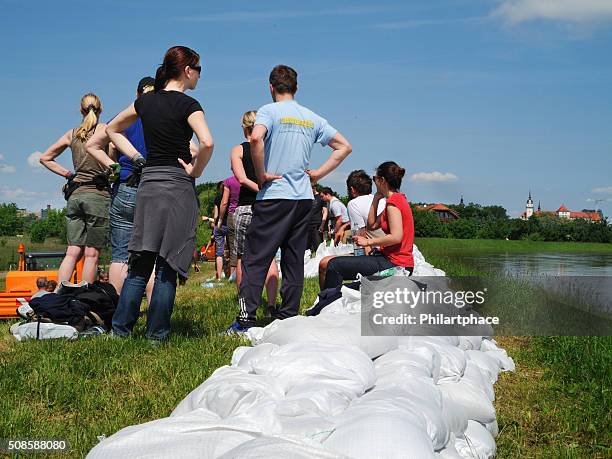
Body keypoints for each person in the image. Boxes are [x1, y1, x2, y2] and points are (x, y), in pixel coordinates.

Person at [90, 45, 214, 341]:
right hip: (176, 185)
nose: (199, 76)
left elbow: (111, 130)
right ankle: (156, 335)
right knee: (167, 265)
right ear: (187, 70)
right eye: (198, 70)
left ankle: (120, 331)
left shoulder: (145, 102)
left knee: (140, 263)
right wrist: (195, 171)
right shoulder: (189, 105)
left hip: (148, 183)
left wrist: (135, 158)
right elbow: (207, 142)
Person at [226, 64, 352, 333]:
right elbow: (344, 146)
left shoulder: (269, 111)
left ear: (271, 87)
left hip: (274, 196)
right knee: (293, 260)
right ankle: (288, 317)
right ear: (296, 88)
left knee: (256, 258)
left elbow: (257, 138)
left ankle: (246, 319)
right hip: (303, 199)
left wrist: (261, 175)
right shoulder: (311, 117)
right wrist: (317, 173)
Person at [87, 77, 156, 300]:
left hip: (126, 185)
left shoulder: (124, 119)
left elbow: (92, 145)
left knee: (120, 255)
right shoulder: (162, 119)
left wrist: (113, 165)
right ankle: (154, 312)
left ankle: (115, 309)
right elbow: (193, 150)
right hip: (154, 188)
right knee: (151, 256)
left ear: (137, 96)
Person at [40, 93, 111, 284]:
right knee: (91, 253)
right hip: (98, 195)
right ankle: (84, 298)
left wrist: (68, 175)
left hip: (75, 196)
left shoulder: (72, 133)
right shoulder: (106, 131)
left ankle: (59, 293)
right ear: (100, 109)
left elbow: (45, 158)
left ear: (81, 110)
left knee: (72, 251)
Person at [320, 161, 415, 290]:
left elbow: (396, 237)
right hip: (391, 260)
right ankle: (330, 299)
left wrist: (368, 242)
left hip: (396, 265)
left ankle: (327, 304)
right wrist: (375, 200)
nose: (374, 181)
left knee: (333, 265)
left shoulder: (393, 203)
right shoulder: (395, 200)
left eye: (375, 178)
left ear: (382, 180)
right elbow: (372, 225)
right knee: (348, 284)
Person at [230, 110, 279, 315]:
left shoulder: (238, 150)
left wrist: (256, 188)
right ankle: (271, 305)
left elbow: (241, 179)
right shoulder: (271, 150)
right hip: (268, 207)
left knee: (242, 257)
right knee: (270, 257)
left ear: (244, 127)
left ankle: (245, 303)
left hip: (245, 207)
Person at [318, 171, 385, 289]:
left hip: (377, 256)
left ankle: (326, 302)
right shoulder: (380, 200)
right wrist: (345, 227)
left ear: (352, 189)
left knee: (325, 264)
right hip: (389, 254)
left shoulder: (353, 204)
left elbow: (360, 241)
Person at [217, 175, 240, 278]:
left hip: (233, 214)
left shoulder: (228, 181)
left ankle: (233, 275)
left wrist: (220, 219)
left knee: (233, 247)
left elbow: (224, 202)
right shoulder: (249, 177)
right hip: (250, 210)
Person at [212, 181, 228, 281]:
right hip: (229, 224)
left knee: (219, 252)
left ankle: (218, 277)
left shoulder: (217, 199)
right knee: (232, 251)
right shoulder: (230, 198)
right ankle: (231, 275)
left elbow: (215, 215)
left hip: (219, 225)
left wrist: (215, 225)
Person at [307, 184, 328, 253]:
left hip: (317, 226)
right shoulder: (307, 197)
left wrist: (322, 225)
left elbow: (325, 211)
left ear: (314, 188)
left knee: (319, 248)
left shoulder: (320, 197)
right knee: (306, 250)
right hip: (307, 226)